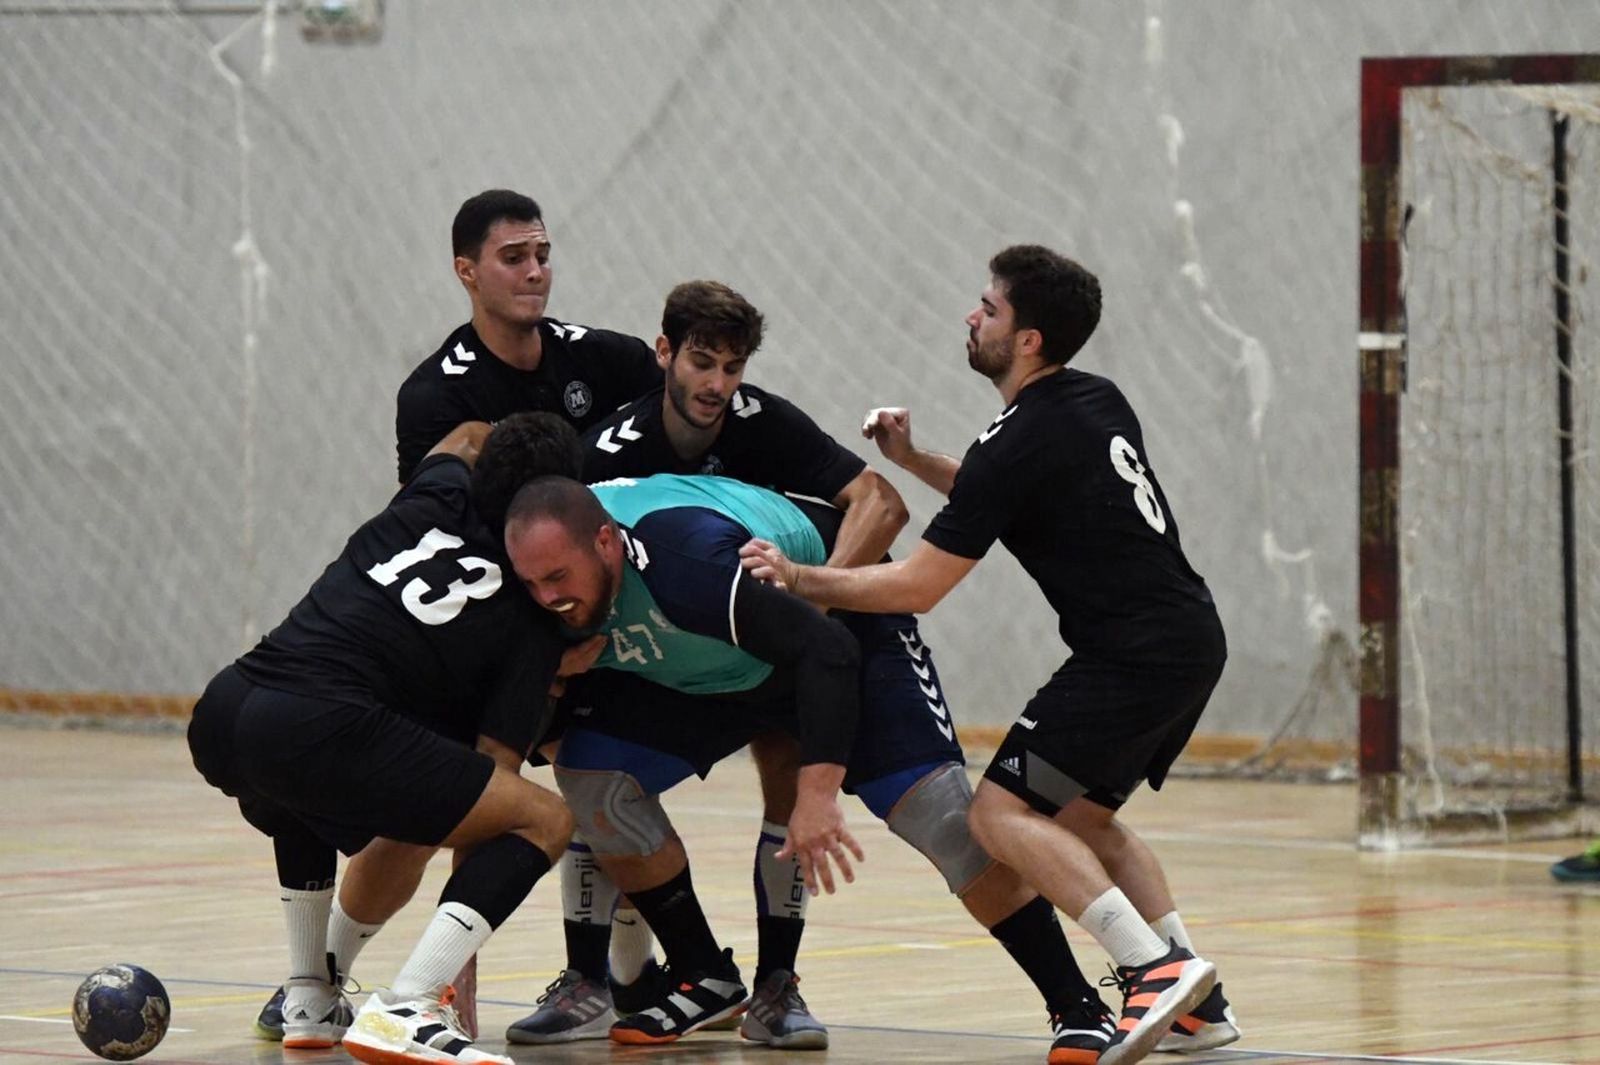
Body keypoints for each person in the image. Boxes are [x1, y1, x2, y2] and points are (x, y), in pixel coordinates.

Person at [507, 280, 1111, 1062]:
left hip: (819, 629)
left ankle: (1074, 1002)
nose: (717, 384)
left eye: (733, 366)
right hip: (716, 640)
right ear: (664, 355)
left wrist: (811, 606)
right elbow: (571, 578)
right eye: (701, 361)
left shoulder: (760, 421)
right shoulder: (609, 457)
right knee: (589, 770)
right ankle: (676, 972)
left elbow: (881, 504)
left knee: (940, 818)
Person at [740, 245, 1239, 1065]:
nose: (973, 316)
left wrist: (800, 576)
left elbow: (917, 585)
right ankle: (1201, 1008)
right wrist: (912, 460)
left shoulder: (1021, 438)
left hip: (1128, 654)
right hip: (1189, 639)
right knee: (1085, 822)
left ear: (1029, 339)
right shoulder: (1090, 401)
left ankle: (1155, 967)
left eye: (990, 308)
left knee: (998, 815)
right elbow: (993, 486)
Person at [253, 189, 662, 1043]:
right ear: (466, 271)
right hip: (487, 639)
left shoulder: (611, 361)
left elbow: (666, 440)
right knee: (445, 810)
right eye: (514, 256)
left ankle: (617, 975)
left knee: (605, 780)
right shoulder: (434, 393)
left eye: (544, 252)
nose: (536, 270)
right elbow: (440, 525)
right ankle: (355, 983)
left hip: (585, 615)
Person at [188, 414, 586, 1065]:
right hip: (315, 721)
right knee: (543, 817)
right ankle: (412, 1004)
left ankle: (311, 997)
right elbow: (493, 782)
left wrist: (499, 431)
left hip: (226, 710)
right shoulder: (530, 608)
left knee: (333, 794)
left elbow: (461, 435)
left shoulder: (434, 493)